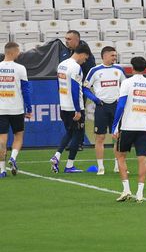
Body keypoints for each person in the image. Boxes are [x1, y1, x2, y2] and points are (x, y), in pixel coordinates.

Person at [113, 56, 146, 201]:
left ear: (132, 67)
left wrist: (115, 126)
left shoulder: (127, 82)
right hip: (144, 126)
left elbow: (120, 105)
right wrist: (145, 118)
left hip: (128, 125)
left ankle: (126, 189)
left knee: (120, 155)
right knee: (142, 159)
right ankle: (140, 193)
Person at [51, 44, 92, 173]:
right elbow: (75, 89)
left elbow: (58, 84)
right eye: (85, 58)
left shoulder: (61, 65)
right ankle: (69, 165)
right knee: (78, 135)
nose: (84, 61)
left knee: (69, 132)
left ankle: (57, 156)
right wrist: (78, 110)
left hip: (64, 105)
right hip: (74, 107)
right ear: (82, 54)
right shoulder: (75, 67)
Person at [85, 46, 125, 175]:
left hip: (116, 107)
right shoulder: (95, 70)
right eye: (113, 55)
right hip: (101, 107)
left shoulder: (119, 70)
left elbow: (125, 86)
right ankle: (101, 167)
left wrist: (122, 100)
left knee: (117, 137)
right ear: (105, 55)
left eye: (115, 55)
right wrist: (95, 99)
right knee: (100, 137)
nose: (115, 58)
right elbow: (85, 88)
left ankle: (117, 166)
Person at [0, 41, 32, 178]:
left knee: (2, 140)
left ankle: (2, 169)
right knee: (18, 136)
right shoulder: (20, 68)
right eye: (18, 52)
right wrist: (29, 107)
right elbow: (26, 90)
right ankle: (13, 157)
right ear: (12, 52)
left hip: (1, 109)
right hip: (16, 108)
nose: (19, 54)